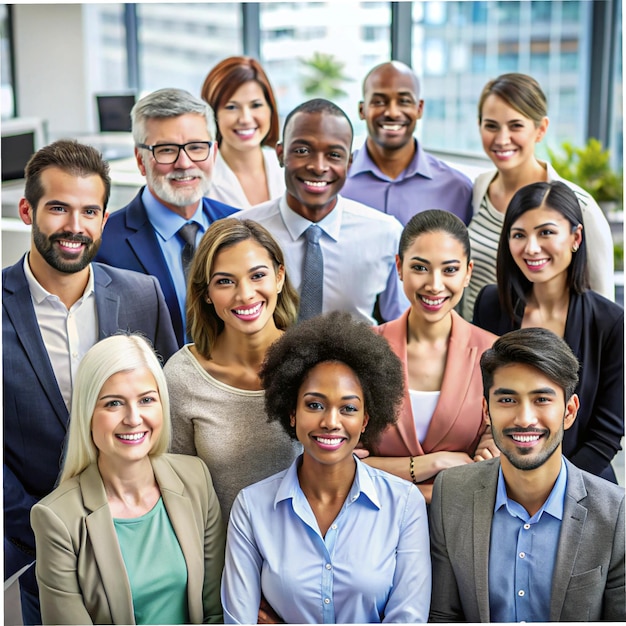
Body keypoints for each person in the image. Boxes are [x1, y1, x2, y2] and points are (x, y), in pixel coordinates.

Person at [3, 139, 178, 625]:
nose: (74, 227)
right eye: (58, 208)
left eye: (89, 211)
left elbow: (165, 408)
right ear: (27, 210)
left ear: (104, 219)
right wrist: (37, 527)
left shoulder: (142, 295)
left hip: (144, 534)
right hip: (39, 540)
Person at [221, 311, 431, 624]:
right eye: (315, 405)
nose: (331, 422)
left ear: (366, 419)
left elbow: (408, 620)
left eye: (348, 408)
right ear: (292, 412)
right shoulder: (252, 508)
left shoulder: (403, 505)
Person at [429, 327, 625, 622]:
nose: (524, 419)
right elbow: (443, 616)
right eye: (507, 400)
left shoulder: (616, 514)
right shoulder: (451, 493)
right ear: (486, 411)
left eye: (542, 400)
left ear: (569, 411)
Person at [30, 334, 225, 625]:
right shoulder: (57, 518)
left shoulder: (195, 477)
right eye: (113, 404)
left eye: (146, 400)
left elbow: (215, 612)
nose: (134, 418)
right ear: (87, 414)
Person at [472, 181, 623, 483]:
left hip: (582, 482)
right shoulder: (491, 304)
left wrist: (546, 487)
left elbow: (606, 434)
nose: (531, 248)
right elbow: (482, 399)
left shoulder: (611, 322)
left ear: (576, 237)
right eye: (519, 235)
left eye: (546, 232)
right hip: (504, 475)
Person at [164, 218, 302, 518]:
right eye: (225, 281)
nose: (245, 295)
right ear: (207, 294)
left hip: (308, 554)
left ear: (279, 277)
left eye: (258, 276)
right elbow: (174, 491)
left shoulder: (312, 362)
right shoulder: (181, 377)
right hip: (219, 555)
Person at [361, 210, 497, 504]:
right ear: (399, 267)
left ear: (468, 273)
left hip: (461, 526)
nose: (435, 285)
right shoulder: (364, 350)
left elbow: (493, 456)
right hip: (376, 520)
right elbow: (343, 458)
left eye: (449, 270)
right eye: (420, 268)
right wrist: (429, 465)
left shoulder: (493, 355)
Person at [239, 98, 408, 325]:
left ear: (350, 162)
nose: (318, 167)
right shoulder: (240, 231)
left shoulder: (386, 233)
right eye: (302, 150)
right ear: (280, 154)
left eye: (334, 155)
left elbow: (400, 325)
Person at [462, 72, 614, 319]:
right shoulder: (480, 187)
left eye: (516, 126)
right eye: (491, 125)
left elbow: (603, 306)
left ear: (541, 129)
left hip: (542, 350)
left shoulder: (580, 206)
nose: (502, 139)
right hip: (475, 345)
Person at [95, 88, 240, 346]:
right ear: (141, 160)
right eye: (166, 150)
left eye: (196, 147)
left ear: (214, 153)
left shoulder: (240, 225)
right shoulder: (103, 243)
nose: (184, 163)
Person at [342, 61, 472, 225]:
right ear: (362, 110)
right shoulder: (335, 182)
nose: (392, 113)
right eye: (379, 102)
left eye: (404, 101)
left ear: (419, 108)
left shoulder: (457, 189)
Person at [201, 56, 285, 208]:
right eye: (231, 107)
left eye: (256, 105)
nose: (245, 119)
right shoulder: (201, 180)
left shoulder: (288, 168)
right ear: (213, 114)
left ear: (270, 108)